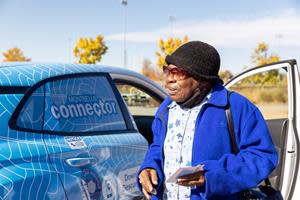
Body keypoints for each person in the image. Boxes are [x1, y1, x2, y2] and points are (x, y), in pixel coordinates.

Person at [136, 41, 278, 199]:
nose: (169, 79)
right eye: (168, 70)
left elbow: (261, 157)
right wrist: (149, 167)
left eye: (178, 72)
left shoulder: (235, 107)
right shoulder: (166, 109)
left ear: (202, 80)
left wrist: (212, 176)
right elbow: (157, 148)